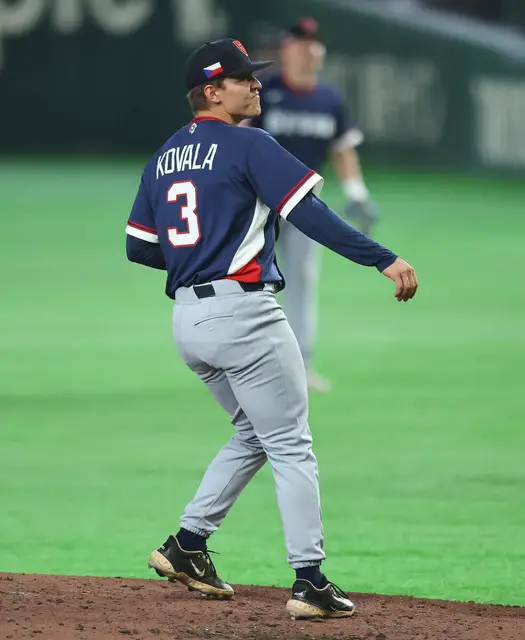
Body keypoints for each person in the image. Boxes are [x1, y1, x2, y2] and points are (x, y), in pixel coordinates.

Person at [125, 37, 418, 620]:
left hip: (189, 322)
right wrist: (382, 258)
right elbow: (310, 215)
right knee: (291, 444)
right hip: (244, 317)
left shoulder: (164, 156)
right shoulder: (249, 143)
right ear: (212, 92)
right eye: (243, 78)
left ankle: (187, 544)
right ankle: (310, 582)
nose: (257, 84)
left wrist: (199, 262)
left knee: (255, 433)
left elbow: (140, 246)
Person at [243, 18, 378, 393]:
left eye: (314, 44)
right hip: (259, 203)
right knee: (251, 281)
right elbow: (237, 138)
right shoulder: (264, 92)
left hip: (304, 203)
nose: (311, 50)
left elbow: (343, 150)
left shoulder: (329, 100)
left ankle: (301, 367)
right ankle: (248, 365)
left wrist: (356, 193)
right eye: (302, 43)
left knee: (302, 281)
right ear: (287, 50)